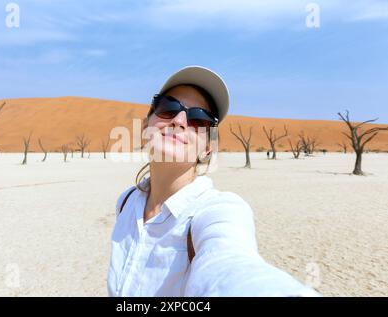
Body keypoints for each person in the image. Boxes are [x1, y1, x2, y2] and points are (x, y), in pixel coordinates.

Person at [108, 66, 319, 297]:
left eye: (199, 118)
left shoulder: (218, 211)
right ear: (146, 127)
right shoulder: (126, 202)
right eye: (167, 107)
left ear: (207, 148)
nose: (179, 120)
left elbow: (232, 266)